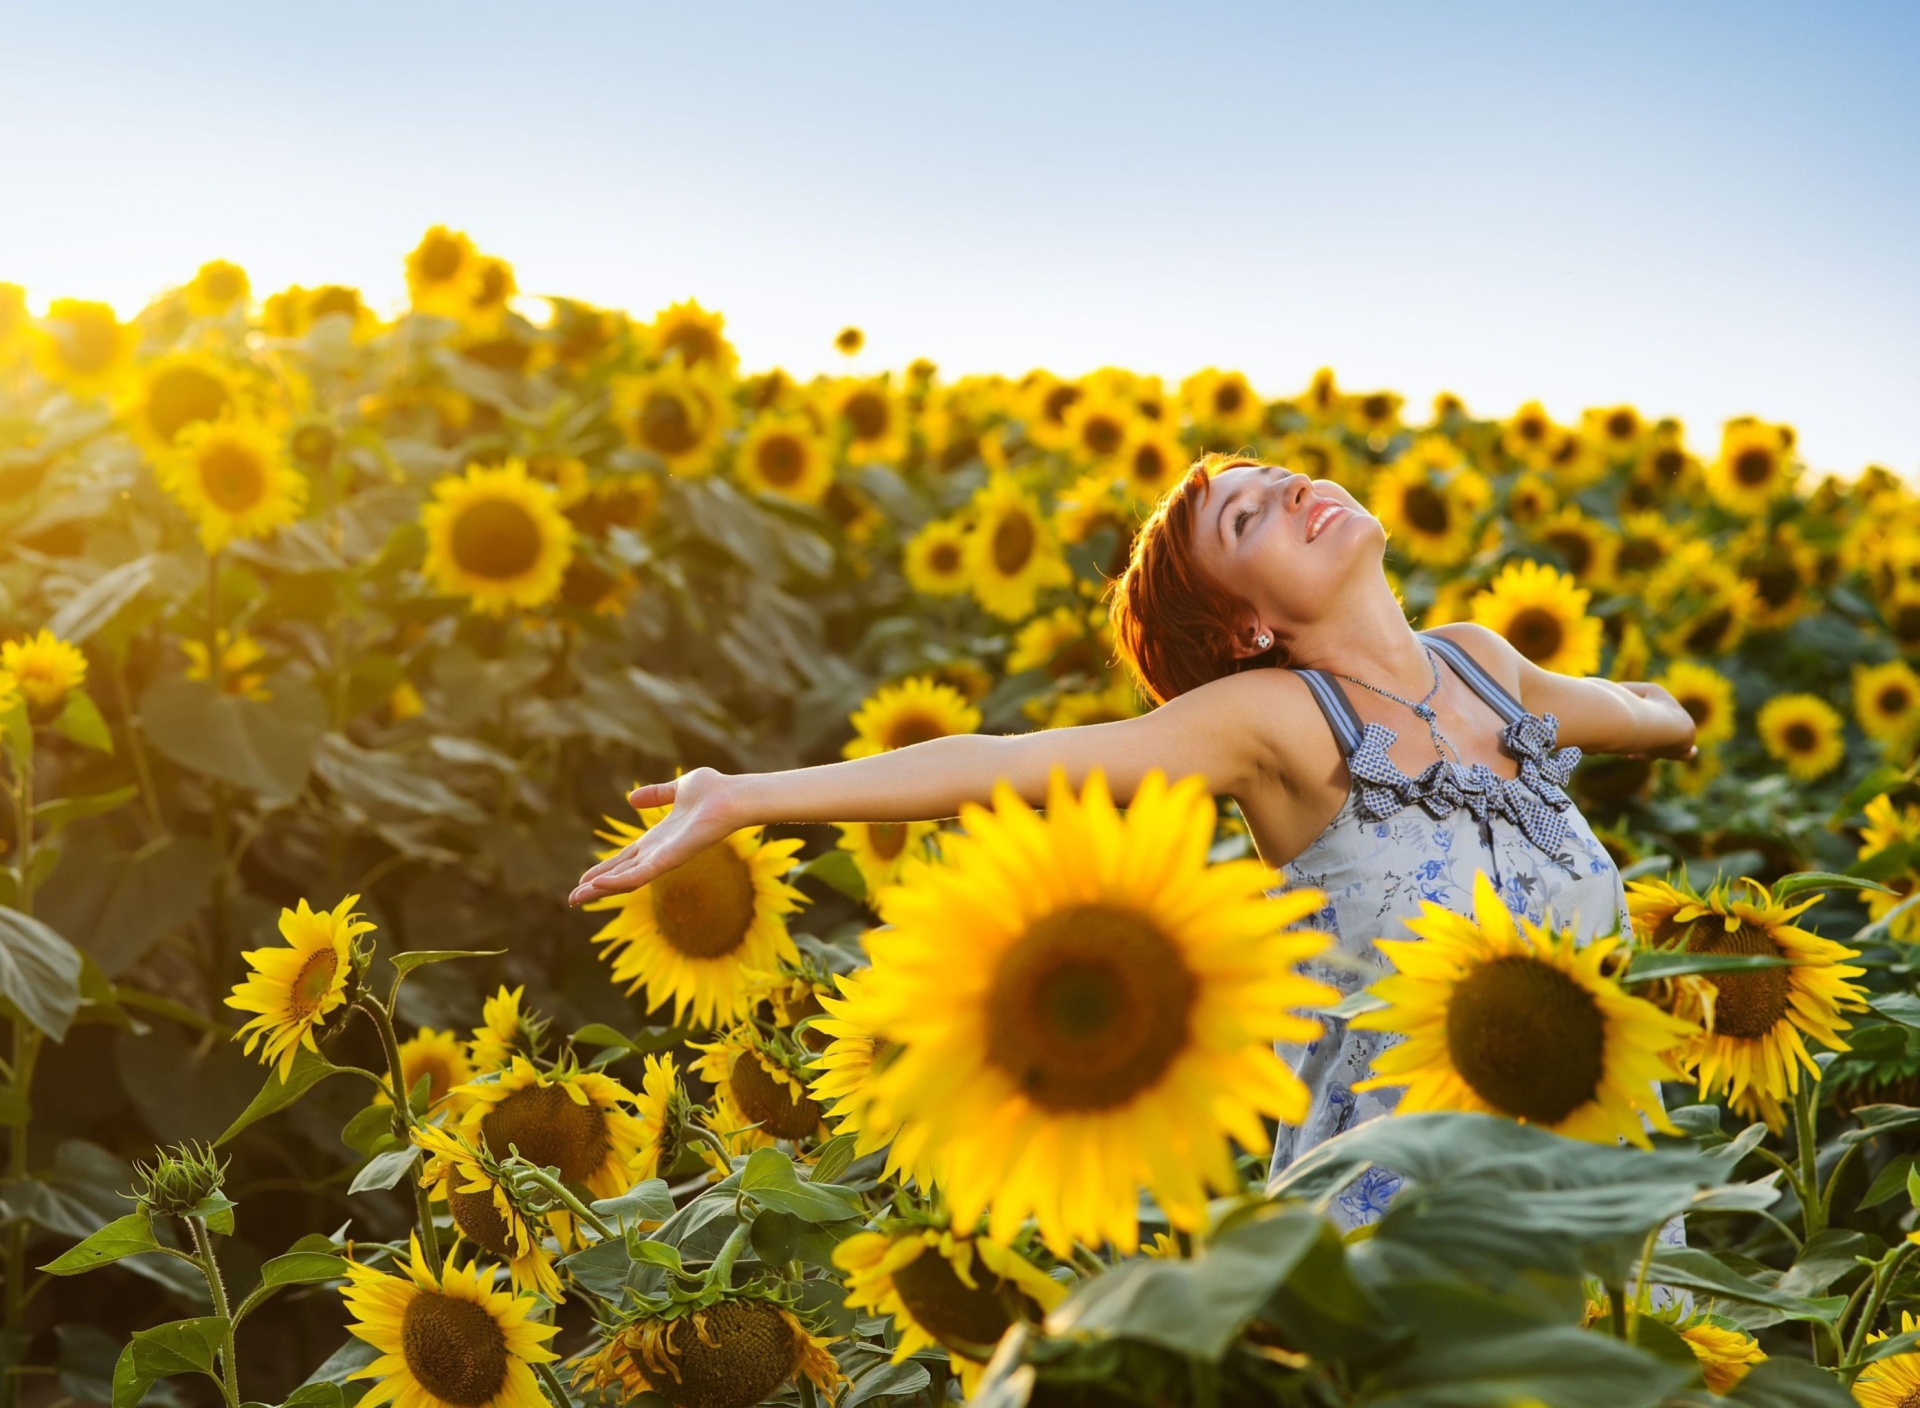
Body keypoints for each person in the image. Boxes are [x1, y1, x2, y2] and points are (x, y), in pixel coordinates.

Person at [568, 454, 1697, 1222]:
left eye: (1278, 475)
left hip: (1609, 1192)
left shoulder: (1486, 669)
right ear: (1248, 624)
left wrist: (1673, 721)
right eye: (1248, 516)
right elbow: (1006, 766)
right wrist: (747, 794)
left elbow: (1643, 708)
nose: (1293, 488)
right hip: (1412, 1236)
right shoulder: (1278, 725)